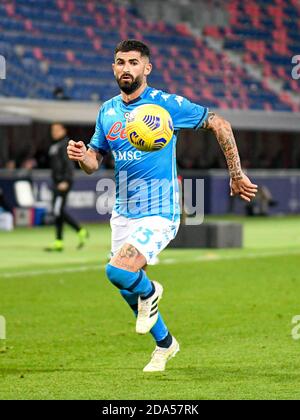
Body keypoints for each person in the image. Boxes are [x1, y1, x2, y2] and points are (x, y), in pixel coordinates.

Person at [67, 40, 258, 372]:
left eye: (133, 62)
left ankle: (153, 290)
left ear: (147, 68)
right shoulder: (107, 110)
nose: (126, 68)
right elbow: (94, 162)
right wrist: (82, 156)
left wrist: (236, 173)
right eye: (120, 62)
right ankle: (166, 344)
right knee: (126, 287)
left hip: (160, 210)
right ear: (113, 68)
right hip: (123, 211)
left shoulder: (166, 104)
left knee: (118, 271)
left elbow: (219, 123)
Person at [45, 123, 88, 251]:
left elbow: (69, 164)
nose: (54, 132)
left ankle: (61, 240)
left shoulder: (66, 144)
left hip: (63, 182)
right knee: (58, 211)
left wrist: (67, 181)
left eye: (57, 130)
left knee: (58, 211)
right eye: (53, 130)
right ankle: (78, 232)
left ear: (64, 130)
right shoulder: (54, 145)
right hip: (56, 182)